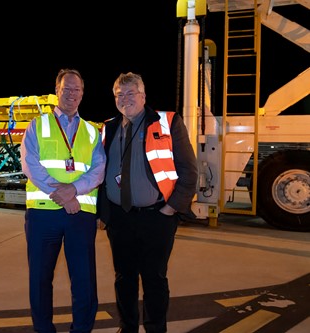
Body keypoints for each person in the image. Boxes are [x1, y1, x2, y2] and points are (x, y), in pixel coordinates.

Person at [97, 72, 198, 333]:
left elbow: (189, 170)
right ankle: (127, 327)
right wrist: (104, 212)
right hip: (120, 217)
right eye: (119, 95)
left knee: (154, 278)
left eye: (131, 93)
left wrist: (171, 207)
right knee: (124, 278)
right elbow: (99, 173)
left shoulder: (168, 122)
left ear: (143, 96)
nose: (125, 99)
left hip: (157, 216)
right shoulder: (108, 127)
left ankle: (155, 329)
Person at [21, 68, 106, 333]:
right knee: (40, 279)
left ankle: (81, 329)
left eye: (76, 89)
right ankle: (43, 329)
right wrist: (61, 195)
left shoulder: (92, 132)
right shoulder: (38, 124)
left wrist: (74, 191)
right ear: (57, 91)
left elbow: (99, 169)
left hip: (80, 214)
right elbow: (30, 165)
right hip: (43, 213)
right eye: (66, 88)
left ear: (83, 94)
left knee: (84, 280)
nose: (71, 94)